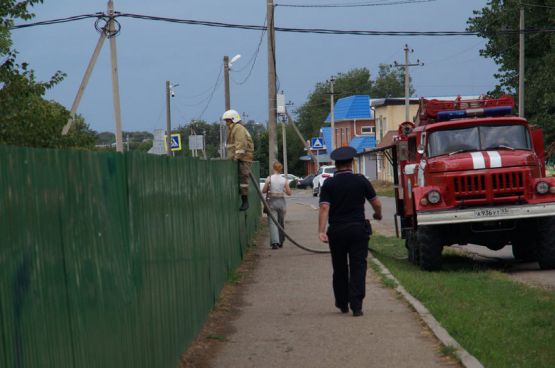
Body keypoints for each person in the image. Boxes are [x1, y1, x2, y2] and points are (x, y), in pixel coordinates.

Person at [318, 146, 382, 317]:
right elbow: (376, 203)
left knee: (339, 267)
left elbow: (324, 207)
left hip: (337, 231)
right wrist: (378, 214)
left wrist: (321, 231)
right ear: (351, 163)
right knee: (358, 267)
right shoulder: (361, 181)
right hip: (357, 230)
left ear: (336, 164)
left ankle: (342, 303)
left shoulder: (329, 184)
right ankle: (357, 305)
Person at [222, 109, 254, 211]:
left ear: (233, 119)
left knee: (243, 179)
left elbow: (241, 144)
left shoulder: (238, 128)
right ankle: (244, 200)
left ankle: (245, 202)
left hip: (243, 158)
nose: (226, 123)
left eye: (227, 120)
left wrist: (237, 157)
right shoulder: (234, 128)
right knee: (241, 179)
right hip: (239, 158)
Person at [262, 161, 292, 249]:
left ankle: (275, 243)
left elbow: (264, 191)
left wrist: (268, 187)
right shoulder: (284, 180)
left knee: (273, 223)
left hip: (272, 201)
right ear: (281, 169)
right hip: (281, 202)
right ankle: (281, 241)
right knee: (281, 222)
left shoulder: (269, 178)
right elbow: (289, 193)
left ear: (273, 168)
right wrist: (284, 190)